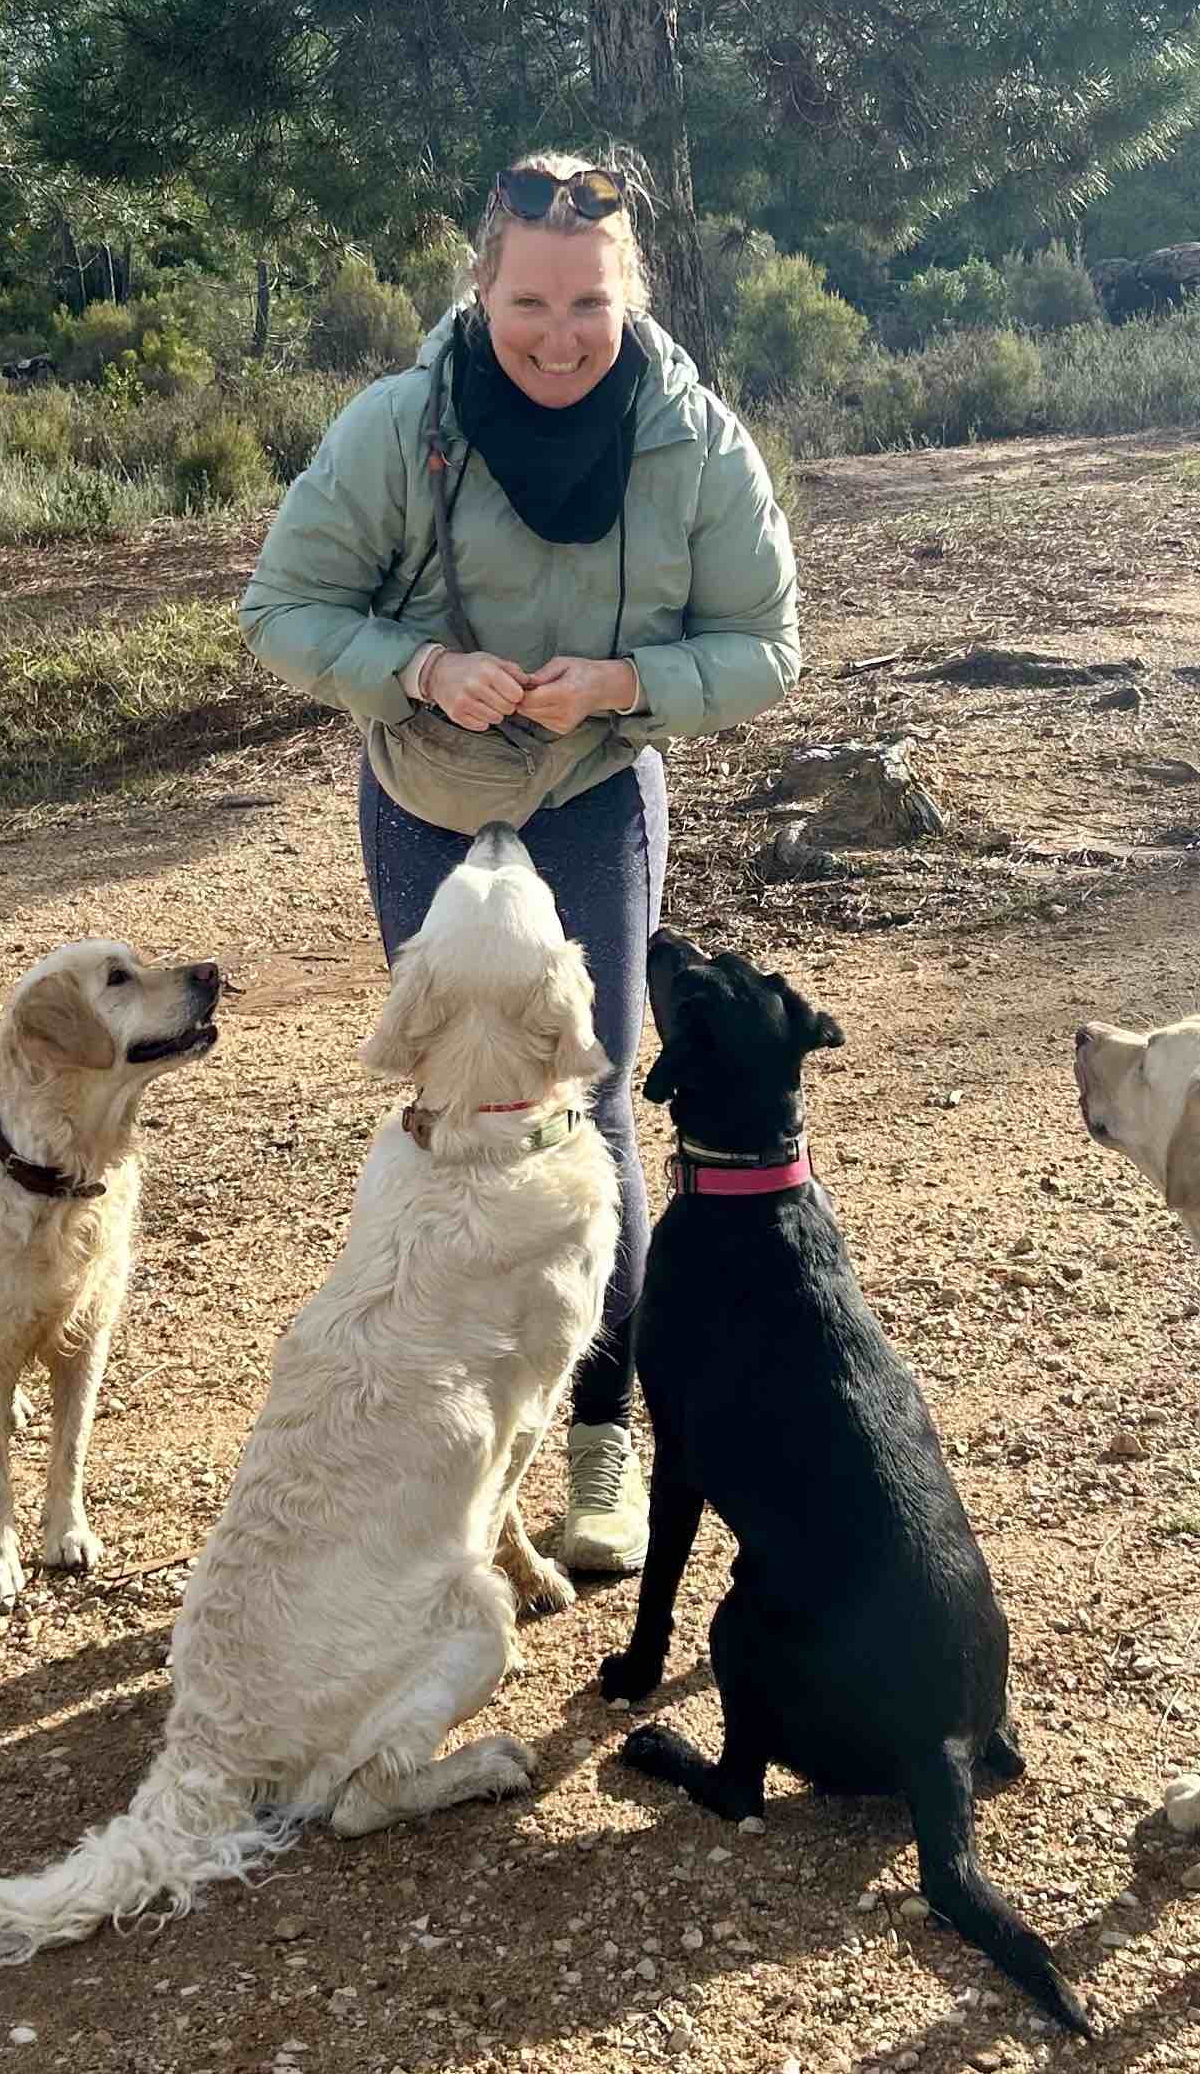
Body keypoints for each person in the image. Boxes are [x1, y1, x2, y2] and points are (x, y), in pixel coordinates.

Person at [237, 151, 801, 1574]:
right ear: (481, 285)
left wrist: (622, 685)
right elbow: (282, 609)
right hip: (427, 792)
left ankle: (602, 1439)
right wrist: (420, 663)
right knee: (463, 1106)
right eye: (531, 300)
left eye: (588, 306)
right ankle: (454, 1418)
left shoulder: (695, 440)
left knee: (585, 1102)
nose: (559, 335)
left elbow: (767, 648)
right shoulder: (395, 428)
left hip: (593, 792)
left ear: (633, 298)